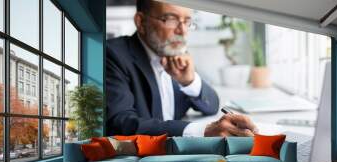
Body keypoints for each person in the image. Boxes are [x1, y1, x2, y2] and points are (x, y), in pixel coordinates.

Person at [106, 0, 257, 137]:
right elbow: (122, 124)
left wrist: (190, 82)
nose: (183, 31)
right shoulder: (113, 55)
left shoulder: (176, 54)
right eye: (171, 19)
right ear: (140, 22)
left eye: (187, 21)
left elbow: (212, 105)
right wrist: (202, 131)